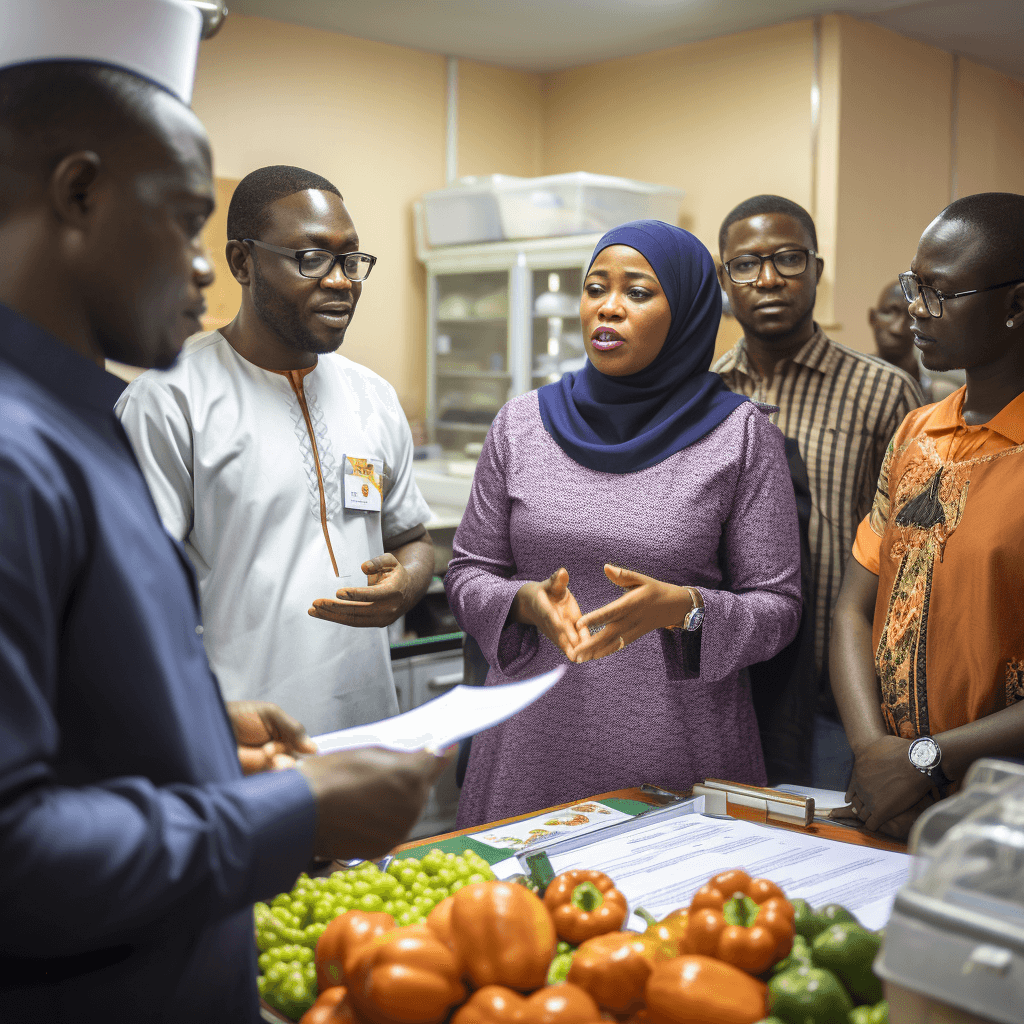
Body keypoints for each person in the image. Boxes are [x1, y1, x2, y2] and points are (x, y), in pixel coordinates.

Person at [0, 3, 446, 1020]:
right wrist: (286, 810)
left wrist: (198, 733)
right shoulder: (20, 452)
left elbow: (78, 709)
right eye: (182, 219)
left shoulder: (72, 423)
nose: (202, 269)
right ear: (77, 192)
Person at [446, 220, 802, 827]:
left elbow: (778, 607)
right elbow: (469, 571)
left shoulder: (742, 437)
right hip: (528, 748)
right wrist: (523, 603)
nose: (608, 307)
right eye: (594, 288)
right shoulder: (520, 425)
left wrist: (687, 608)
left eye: (637, 292)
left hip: (677, 761)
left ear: (687, 311)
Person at [116, 165, 434, 736]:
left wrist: (407, 584)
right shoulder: (168, 401)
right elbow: (130, 599)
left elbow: (410, 539)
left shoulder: (373, 398)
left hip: (366, 735)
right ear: (242, 262)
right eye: (310, 258)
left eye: (350, 259)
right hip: (237, 744)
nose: (340, 281)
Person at [830, 192, 1024, 840]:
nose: (915, 306)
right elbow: (853, 608)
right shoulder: (918, 432)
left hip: (1000, 817)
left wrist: (927, 761)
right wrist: (873, 754)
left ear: (1016, 305)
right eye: (916, 284)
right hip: (888, 799)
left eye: (940, 292)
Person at [713, 195, 923, 790]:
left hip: (842, 692)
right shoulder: (701, 397)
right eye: (747, 265)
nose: (770, 279)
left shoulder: (883, 392)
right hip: (736, 680)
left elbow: (912, 560)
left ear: (817, 270)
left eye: (789, 259)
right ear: (725, 279)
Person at [869, 279, 963, 403]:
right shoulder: (851, 378)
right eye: (890, 312)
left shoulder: (941, 393)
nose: (897, 329)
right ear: (872, 317)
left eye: (910, 316)